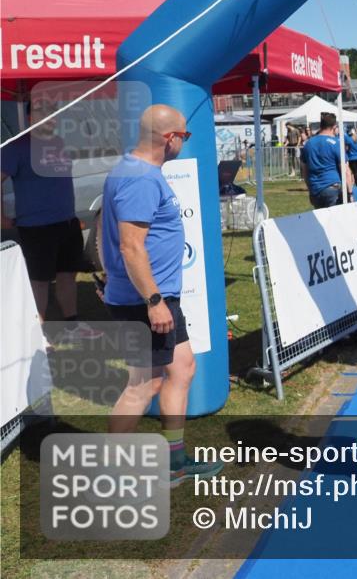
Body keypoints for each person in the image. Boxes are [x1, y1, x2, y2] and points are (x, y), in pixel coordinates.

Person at [101, 104, 222, 486]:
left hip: (155, 297)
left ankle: (174, 462)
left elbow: (107, 231)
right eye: (185, 136)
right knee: (144, 384)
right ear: (169, 139)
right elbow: (131, 246)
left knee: (182, 368)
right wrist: (153, 302)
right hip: (147, 300)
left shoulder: (137, 171)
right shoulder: (140, 179)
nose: (185, 142)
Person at [1, 100, 101, 342]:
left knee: (68, 275)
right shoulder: (16, 147)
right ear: (29, 117)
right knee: (39, 281)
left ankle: (72, 326)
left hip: (67, 222)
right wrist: (1, 218)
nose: (48, 117)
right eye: (41, 112)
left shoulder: (58, 143)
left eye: (51, 113)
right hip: (36, 227)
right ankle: (39, 334)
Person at [300, 112, 352, 208]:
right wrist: (350, 193)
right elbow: (346, 171)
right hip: (332, 188)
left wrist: (310, 188)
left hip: (315, 189)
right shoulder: (336, 143)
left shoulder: (308, 143)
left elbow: (304, 169)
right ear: (334, 127)